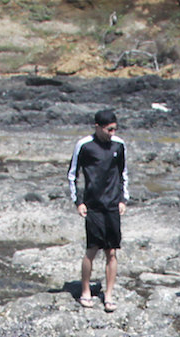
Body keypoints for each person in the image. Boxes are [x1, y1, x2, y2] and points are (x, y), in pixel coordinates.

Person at [67, 108, 128, 311]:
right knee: (92, 250)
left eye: (114, 129)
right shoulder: (84, 145)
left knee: (112, 251)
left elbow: (123, 173)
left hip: (112, 205)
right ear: (98, 127)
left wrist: (123, 199)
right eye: (109, 129)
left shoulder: (119, 145)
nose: (112, 133)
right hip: (92, 205)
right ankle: (85, 291)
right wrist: (78, 202)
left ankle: (108, 294)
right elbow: (72, 174)